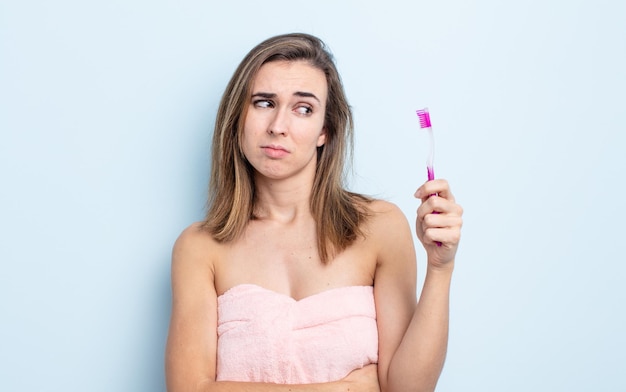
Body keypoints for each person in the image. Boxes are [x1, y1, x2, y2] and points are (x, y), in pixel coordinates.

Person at [165, 33, 463, 392]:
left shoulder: (380, 227)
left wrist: (440, 269)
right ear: (237, 116)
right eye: (263, 103)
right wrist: (344, 388)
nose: (278, 126)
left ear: (325, 129)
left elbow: (407, 388)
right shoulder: (199, 247)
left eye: (303, 109)